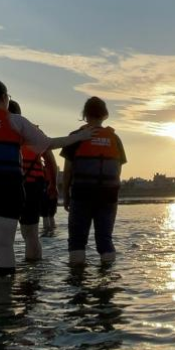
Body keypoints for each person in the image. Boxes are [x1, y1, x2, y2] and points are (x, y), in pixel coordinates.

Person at [0, 77, 94, 275]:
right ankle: (4, 292)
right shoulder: (16, 121)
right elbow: (48, 144)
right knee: (4, 246)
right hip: (7, 190)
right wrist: (80, 136)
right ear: (4, 98)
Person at [61, 96, 127, 265]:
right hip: (108, 196)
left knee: (77, 241)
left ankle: (77, 278)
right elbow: (118, 170)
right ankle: (107, 277)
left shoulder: (76, 137)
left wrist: (65, 195)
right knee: (105, 239)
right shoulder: (115, 139)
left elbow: (67, 171)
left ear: (85, 114)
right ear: (105, 114)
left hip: (81, 193)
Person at [8, 100, 59, 260]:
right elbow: (50, 161)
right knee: (31, 234)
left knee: (0, 234)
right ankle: (34, 269)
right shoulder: (32, 131)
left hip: (4, 184)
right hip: (32, 184)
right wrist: (53, 185)